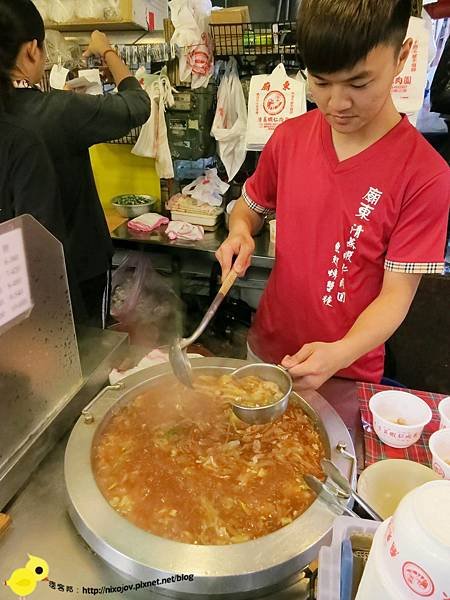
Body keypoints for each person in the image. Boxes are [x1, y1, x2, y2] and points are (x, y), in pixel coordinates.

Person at [217, 0, 450, 391]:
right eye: (321, 82)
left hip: (345, 370)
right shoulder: (289, 138)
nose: (336, 104)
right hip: (266, 350)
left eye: (359, 83)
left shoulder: (425, 175)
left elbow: (396, 296)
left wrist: (340, 351)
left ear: (402, 56)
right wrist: (239, 231)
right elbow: (249, 207)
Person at [0, 0, 150, 327]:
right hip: (76, 271)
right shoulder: (59, 111)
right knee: (84, 361)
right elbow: (137, 105)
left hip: (10, 288)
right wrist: (107, 50)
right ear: (31, 50)